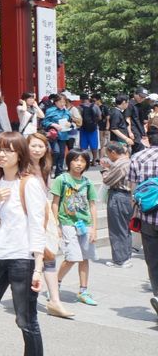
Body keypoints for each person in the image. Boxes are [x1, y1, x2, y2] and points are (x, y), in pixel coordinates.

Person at [0, 132, 46, 356]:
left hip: (22, 259)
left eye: (8, 150)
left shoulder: (30, 183)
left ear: (19, 154)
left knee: (25, 319)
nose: (1, 155)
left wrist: (39, 267)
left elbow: (37, 225)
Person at [26, 132, 73, 319]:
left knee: (49, 256)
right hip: (28, 216)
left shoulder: (45, 167)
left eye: (41, 146)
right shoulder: (22, 168)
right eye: (33, 145)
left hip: (43, 214)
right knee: (32, 259)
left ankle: (55, 300)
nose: (37, 149)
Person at [52, 149, 100, 306]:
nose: (79, 164)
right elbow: (55, 203)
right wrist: (56, 225)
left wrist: (94, 228)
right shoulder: (62, 179)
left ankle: (83, 291)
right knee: (72, 257)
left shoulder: (87, 182)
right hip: (67, 223)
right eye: (76, 160)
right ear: (69, 161)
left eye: (83, 161)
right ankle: (55, 283)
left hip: (85, 225)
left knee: (84, 258)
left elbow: (93, 205)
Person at [128, 128, 158, 318]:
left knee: (153, 260)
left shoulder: (138, 157)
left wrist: (133, 213)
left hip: (148, 216)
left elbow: (133, 190)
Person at [101, 141, 134, 269]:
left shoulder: (119, 164)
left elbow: (107, 180)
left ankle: (120, 260)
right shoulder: (129, 161)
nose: (108, 157)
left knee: (117, 228)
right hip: (128, 197)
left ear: (113, 152)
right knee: (125, 228)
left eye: (108, 154)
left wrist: (104, 169)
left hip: (118, 196)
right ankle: (126, 256)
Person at [41, 93, 73, 176]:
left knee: (62, 153)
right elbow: (44, 122)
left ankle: (59, 172)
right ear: (55, 102)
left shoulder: (67, 112)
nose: (62, 104)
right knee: (56, 152)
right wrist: (53, 124)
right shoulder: (50, 110)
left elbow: (70, 122)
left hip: (63, 135)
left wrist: (69, 124)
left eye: (64, 102)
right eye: (60, 102)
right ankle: (50, 168)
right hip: (53, 135)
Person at [78, 94, 102, 161]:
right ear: (88, 99)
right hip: (93, 128)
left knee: (83, 145)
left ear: (81, 99)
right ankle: (94, 160)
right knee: (94, 144)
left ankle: (84, 160)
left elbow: (78, 118)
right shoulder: (95, 106)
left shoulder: (79, 107)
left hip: (83, 128)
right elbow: (100, 117)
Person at [129, 88, 150, 154]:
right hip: (133, 130)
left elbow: (140, 120)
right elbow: (128, 119)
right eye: (140, 96)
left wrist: (143, 132)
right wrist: (130, 132)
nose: (142, 98)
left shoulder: (139, 105)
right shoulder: (129, 104)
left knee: (140, 149)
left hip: (140, 130)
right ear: (135, 94)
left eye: (144, 97)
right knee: (139, 148)